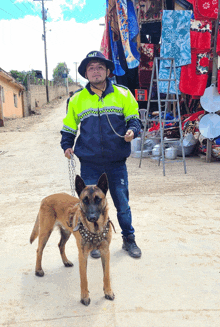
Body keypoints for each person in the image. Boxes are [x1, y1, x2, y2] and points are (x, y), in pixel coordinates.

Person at [60, 50, 142, 259]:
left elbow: (134, 119)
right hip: (90, 164)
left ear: (107, 71)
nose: (95, 71)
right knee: (90, 207)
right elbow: (69, 127)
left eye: (99, 67)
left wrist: (133, 130)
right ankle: (94, 242)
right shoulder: (77, 99)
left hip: (116, 164)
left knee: (122, 204)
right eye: (91, 68)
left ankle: (128, 240)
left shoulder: (123, 94)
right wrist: (67, 145)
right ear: (86, 74)